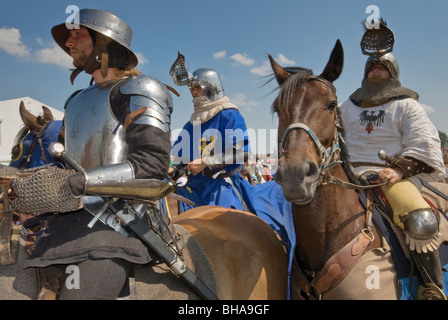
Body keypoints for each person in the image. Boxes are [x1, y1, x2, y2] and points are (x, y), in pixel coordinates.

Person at [6, 8, 174, 299]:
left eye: (76, 35)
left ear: (103, 42)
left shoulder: (140, 89)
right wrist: (25, 181)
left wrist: (81, 182)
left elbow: (153, 162)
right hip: (66, 222)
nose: (68, 44)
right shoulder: (75, 101)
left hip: (118, 223)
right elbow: (63, 164)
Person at [339, 20, 447, 299]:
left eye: (383, 67)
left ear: (393, 72)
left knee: (420, 218)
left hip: (391, 175)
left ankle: (431, 287)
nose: (377, 69)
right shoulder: (347, 107)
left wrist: (399, 170)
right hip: (348, 174)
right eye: (373, 67)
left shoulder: (406, 104)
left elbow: (425, 143)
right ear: (365, 73)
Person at [169, 56, 255, 214]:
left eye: (197, 87)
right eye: (191, 89)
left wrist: (206, 162)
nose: (193, 92)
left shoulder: (229, 115)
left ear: (211, 87)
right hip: (192, 188)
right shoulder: (192, 124)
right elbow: (179, 159)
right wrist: (172, 169)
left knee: (227, 231)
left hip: (222, 187)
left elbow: (242, 152)